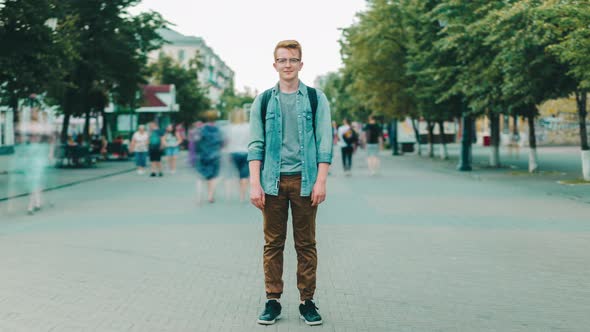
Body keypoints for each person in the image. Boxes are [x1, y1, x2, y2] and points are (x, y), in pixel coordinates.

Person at [248, 40, 332, 326]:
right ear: (275, 65)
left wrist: (321, 181)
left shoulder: (315, 98)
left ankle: (307, 301)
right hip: (271, 184)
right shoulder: (262, 101)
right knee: (273, 244)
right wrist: (254, 183)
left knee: (306, 244)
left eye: (292, 60)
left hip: (305, 182)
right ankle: (273, 300)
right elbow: (255, 145)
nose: (287, 65)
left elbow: (324, 143)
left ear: (300, 64)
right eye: (282, 60)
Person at [194, 111, 223, 204]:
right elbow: (222, 143)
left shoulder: (201, 129)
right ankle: (210, 196)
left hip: (203, 155)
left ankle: (199, 197)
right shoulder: (218, 130)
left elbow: (196, 142)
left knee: (201, 176)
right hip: (215, 156)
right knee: (213, 177)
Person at [226, 110, 251, 202]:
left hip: (233, 152)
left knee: (234, 174)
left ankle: (230, 194)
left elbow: (227, 142)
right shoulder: (249, 127)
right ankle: (242, 196)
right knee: (244, 175)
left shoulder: (231, 128)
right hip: (246, 152)